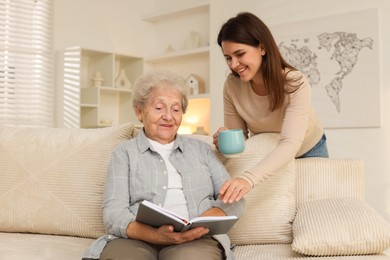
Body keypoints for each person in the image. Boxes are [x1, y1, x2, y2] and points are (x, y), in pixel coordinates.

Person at [82, 70, 245, 260]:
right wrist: (155, 236)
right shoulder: (124, 153)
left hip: (196, 239)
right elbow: (113, 214)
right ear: (139, 111)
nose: (168, 117)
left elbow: (235, 199)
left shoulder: (202, 150)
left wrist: (201, 222)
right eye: (159, 108)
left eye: (176, 110)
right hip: (136, 239)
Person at [213, 12, 329, 204]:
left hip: (308, 148)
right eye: (228, 58)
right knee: (281, 210)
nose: (234, 65)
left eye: (240, 54)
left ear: (262, 47)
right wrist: (226, 140)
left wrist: (248, 179)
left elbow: (290, 143)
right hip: (268, 150)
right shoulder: (231, 86)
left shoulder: (294, 82)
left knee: (314, 209)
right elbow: (241, 137)